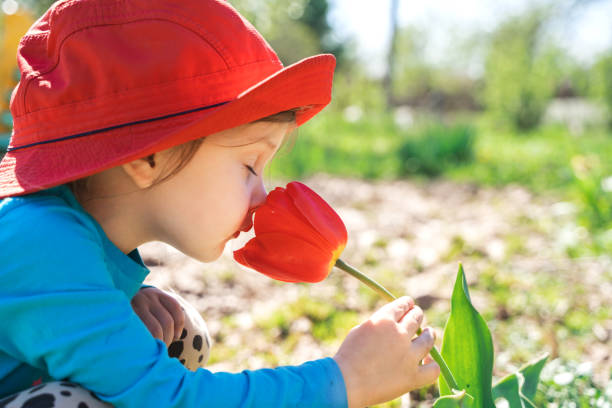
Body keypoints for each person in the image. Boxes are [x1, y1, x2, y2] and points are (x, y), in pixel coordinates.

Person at [0, 0, 440, 407]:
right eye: (250, 165)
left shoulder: (67, 238)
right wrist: (346, 380)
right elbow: (173, 401)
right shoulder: (41, 245)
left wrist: (121, 302)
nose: (263, 197)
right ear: (146, 156)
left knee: (175, 333)